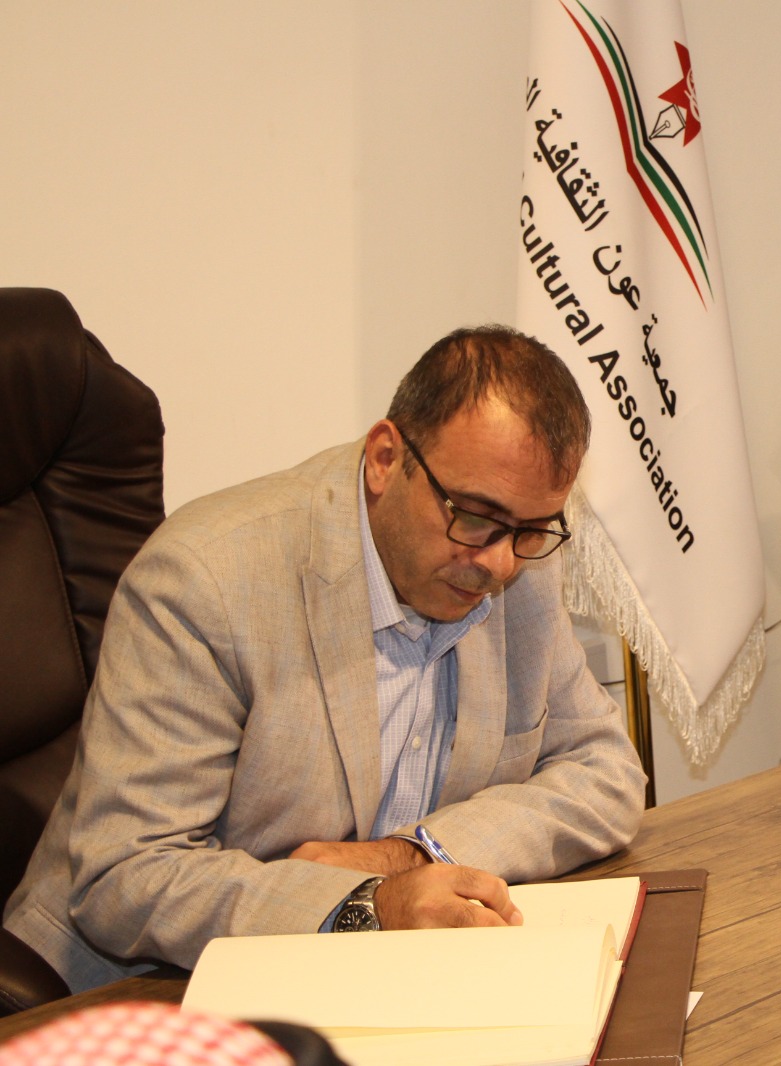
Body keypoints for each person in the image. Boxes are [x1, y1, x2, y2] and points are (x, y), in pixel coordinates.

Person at [4, 326, 647, 993]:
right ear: (385, 459)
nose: (500, 563)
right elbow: (127, 878)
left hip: (381, 980)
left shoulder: (516, 563)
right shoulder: (206, 580)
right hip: (142, 988)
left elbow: (605, 772)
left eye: (531, 530)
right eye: (475, 516)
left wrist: (408, 856)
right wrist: (370, 907)